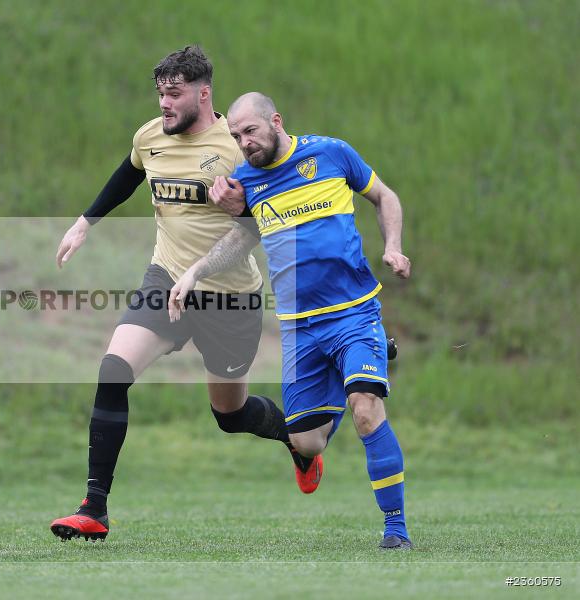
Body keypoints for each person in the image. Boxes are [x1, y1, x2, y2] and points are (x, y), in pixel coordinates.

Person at [50, 47, 311, 542]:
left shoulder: (237, 145)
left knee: (229, 417)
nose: (165, 105)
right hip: (165, 281)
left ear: (203, 93)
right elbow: (129, 172)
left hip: (231, 299)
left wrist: (242, 210)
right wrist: (85, 223)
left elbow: (262, 226)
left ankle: (294, 441)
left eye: (174, 95)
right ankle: (94, 508)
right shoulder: (151, 137)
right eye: (161, 94)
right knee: (112, 373)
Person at [168, 92, 413, 550]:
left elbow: (384, 196)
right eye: (237, 136)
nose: (244, 143)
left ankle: (395, 530)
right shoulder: (245, 183)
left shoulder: (330, 154)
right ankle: (361, 366)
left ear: (276, 121)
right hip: (300, 327)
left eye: (251, 132)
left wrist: (392, 246)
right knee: (307, 444)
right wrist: (194, 272)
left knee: (364, 410)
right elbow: (238, 241)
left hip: (353, 312)